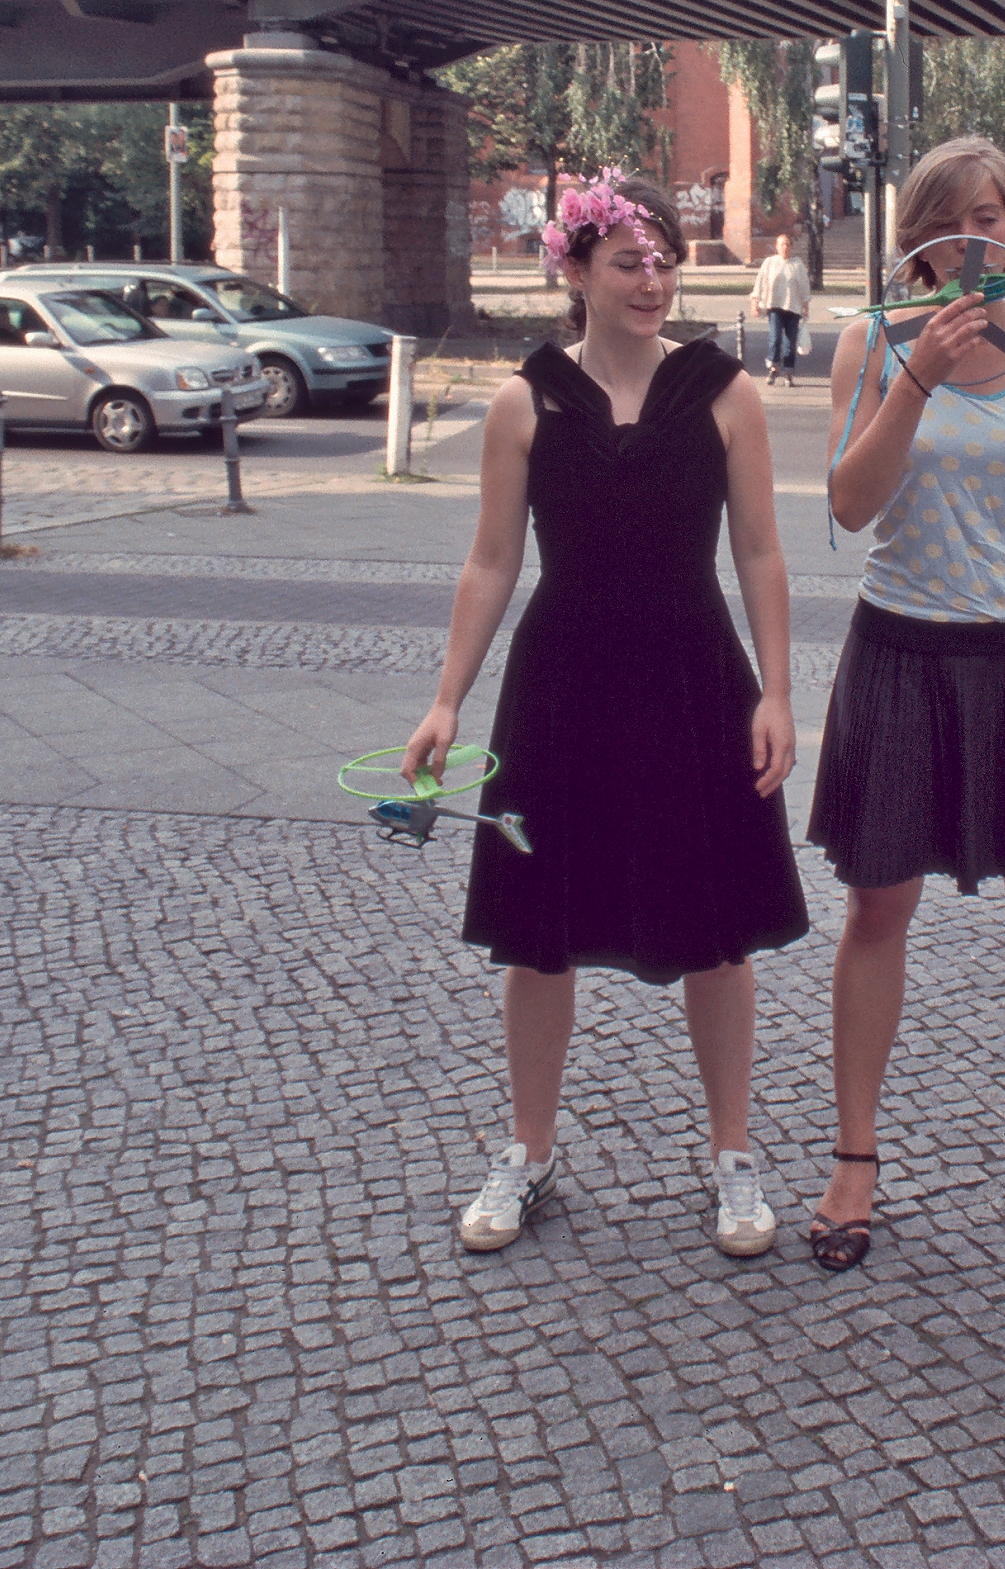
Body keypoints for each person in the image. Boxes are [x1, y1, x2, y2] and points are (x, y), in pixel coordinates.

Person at [403, 169, 810, 1260]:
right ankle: (529, 1152)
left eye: (666, 260)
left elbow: (762, 553)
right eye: (630, 260)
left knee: (718, 934)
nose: (655, 279)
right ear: (574, 271)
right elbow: (491, 563)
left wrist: (777, 692)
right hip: (560, 686)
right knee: (538, 940)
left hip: (694, 680)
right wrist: (446, 701)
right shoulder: (523, 402)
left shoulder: (727, 393)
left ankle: (732, 1156)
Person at [803, 135, 1005, 1274]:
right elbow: (850, 503)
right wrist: (919, 377)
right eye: (954, 221)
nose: (978, 239)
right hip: (902, 655)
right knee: (876, 910)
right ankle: (854, 1157)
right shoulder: (872, 345)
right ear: (918, 244)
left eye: (996, 219)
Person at [750, 232, 811, 387]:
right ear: (776, 247)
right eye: (781, 244)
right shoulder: (770, 263)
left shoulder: (797, 265)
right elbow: (760, 282)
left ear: (791, 247)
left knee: (790, 343)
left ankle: (788, 372)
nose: (785, 247)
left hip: (793, 308)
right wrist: (755, 302)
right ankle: (774, 368)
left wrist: (805, 306)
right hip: (775, 307)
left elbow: (804, 287)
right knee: (775, 339)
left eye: (787, 244)